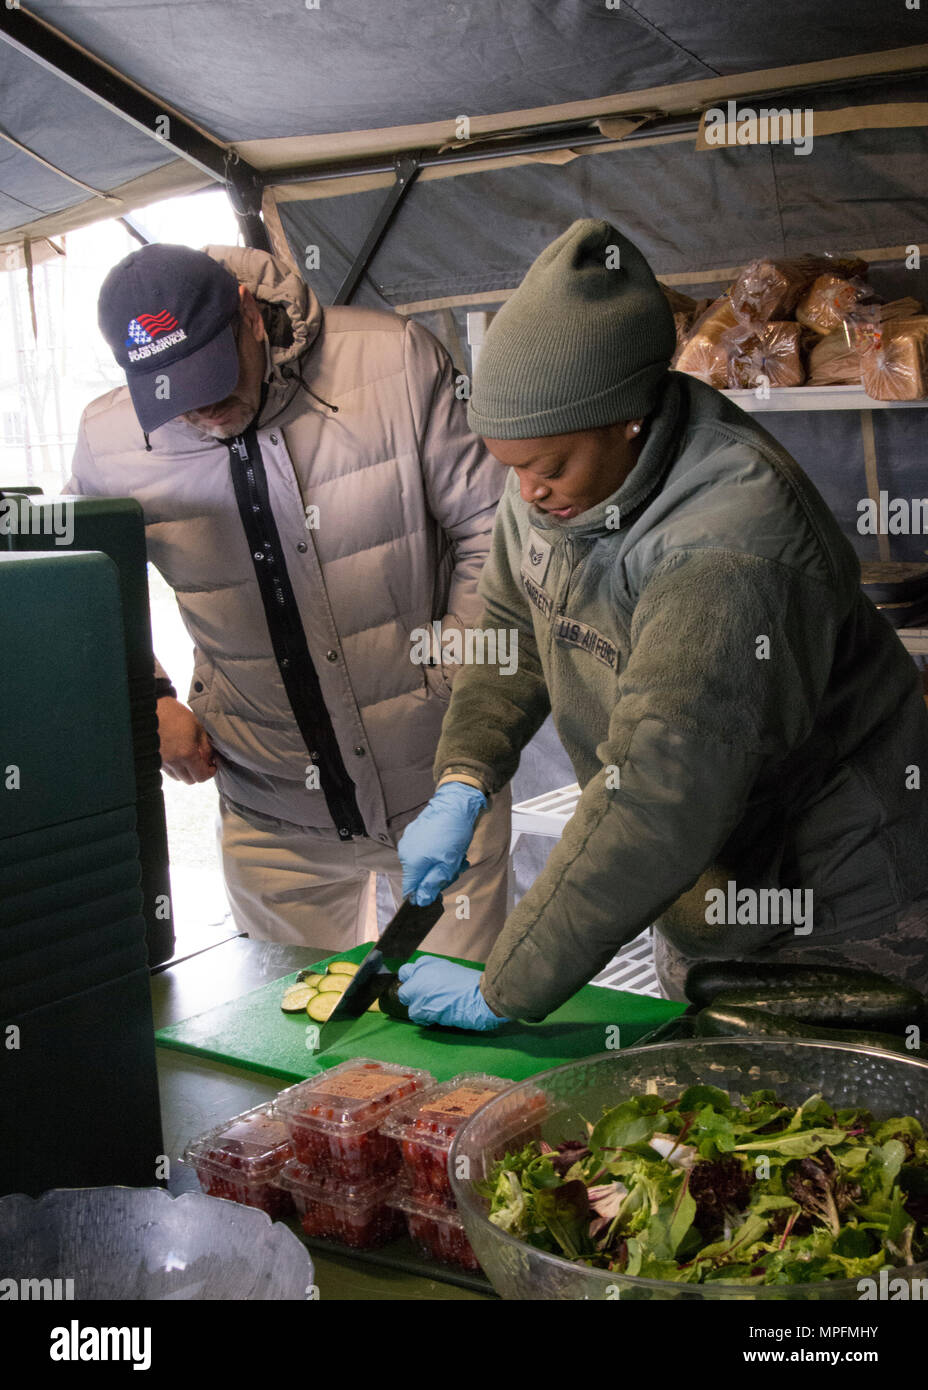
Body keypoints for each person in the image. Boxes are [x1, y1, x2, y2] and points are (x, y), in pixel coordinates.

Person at [396, 218, 928, 1028]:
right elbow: (512, 622)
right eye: (511, 468)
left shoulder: (730, 541)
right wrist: (465, 774)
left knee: (830, 1140)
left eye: (547, 467)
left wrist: (509, 984)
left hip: (836, 912)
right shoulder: (552, 475)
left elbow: (659, 796)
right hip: (699, 889)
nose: (529, 493)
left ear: (628, 418)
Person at [65, 241, 511, 957]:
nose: (204, 411)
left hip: (436, 784)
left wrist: (452, 681)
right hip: (268, 812)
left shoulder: (394, 360)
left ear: (248, 312)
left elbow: (492, 527)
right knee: (295, 1056)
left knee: (458, 1049)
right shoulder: (108, 440)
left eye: (212, 377)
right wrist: (146, 696)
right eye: (172, 397)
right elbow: (82, 591)